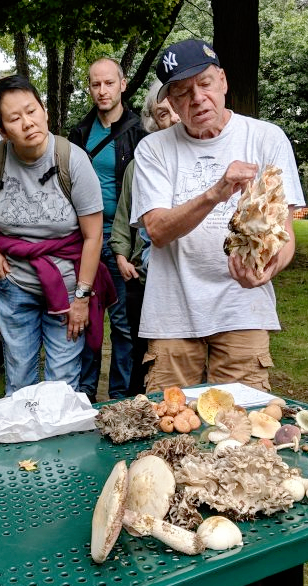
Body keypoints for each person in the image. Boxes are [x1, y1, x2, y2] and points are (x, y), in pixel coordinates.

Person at [131, 39, 304, 393]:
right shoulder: (153, 149)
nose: (196, 98)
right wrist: (216, 192)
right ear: (171, 103)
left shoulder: (267, 138)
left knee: (244, 429)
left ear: (223, 81)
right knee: (169, 428)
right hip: (171, 316)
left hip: (243, 310)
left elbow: (284, 235)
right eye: (181, 92)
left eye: (205, 83)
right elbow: (158, 230)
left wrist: (270, 268)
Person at [0, 75, 107, 394]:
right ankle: (21, 442)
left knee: (63, 384)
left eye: (32, 110)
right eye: (15, 118)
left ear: (45, 112)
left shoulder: (73, 160)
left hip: (68, 286)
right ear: (2, 130)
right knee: (19, 380)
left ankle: (62, 441)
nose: (27, 123)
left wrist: (82, 297)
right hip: (14, 285)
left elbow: (93, 236)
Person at [69, 57, 147, 401]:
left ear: (123, 84)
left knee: (123, 325)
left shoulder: (139, 135)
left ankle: (119, 396)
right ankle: (85, 391)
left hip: (120, 240)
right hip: (84, 238)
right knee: (85, 315)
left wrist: (130, 245)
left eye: (109, 83)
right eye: (95, 84)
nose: (102, 91)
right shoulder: (80, 133)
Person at [109, 81, 180, 395]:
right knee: (138, 346)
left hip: (179, 274)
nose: (172, 118)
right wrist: (122, 254)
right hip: (142, 273)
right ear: (153, 121)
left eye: (175, 110)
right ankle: (139, 403)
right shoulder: (137, 167)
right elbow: (124, 215)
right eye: (162, 114)